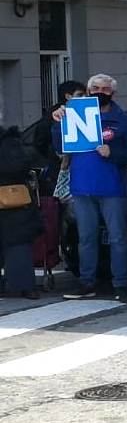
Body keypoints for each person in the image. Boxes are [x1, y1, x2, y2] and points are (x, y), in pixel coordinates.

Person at [52, 73, 127, 301]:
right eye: (96, 89)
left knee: (118, 238)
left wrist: (113, 153)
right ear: (88, 92)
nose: (100, 92)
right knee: (86, 238)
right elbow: (59, 146)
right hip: (82, 186)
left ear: (113, 93)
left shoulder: (121, 119)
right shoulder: (73, 115)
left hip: (112, 188)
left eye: (105, 89)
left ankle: (121, 283)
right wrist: (58, 123)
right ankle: (86, 282)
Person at [0, 125, 43, 299]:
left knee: (18, 245)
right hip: (16, 204)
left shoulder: (10, 143)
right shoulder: (12, 142)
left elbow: (17, 166)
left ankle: (24, 285)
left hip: (13, 204)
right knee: (18, 245)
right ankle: (24, 285)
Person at [32, 79, 86, 191]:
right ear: (68, 96)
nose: (84, 98)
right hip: (58, 168)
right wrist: (55, 155)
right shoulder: (52, 117)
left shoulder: (87, 114)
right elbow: (40, 143)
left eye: (85, 95)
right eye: (80, 95)